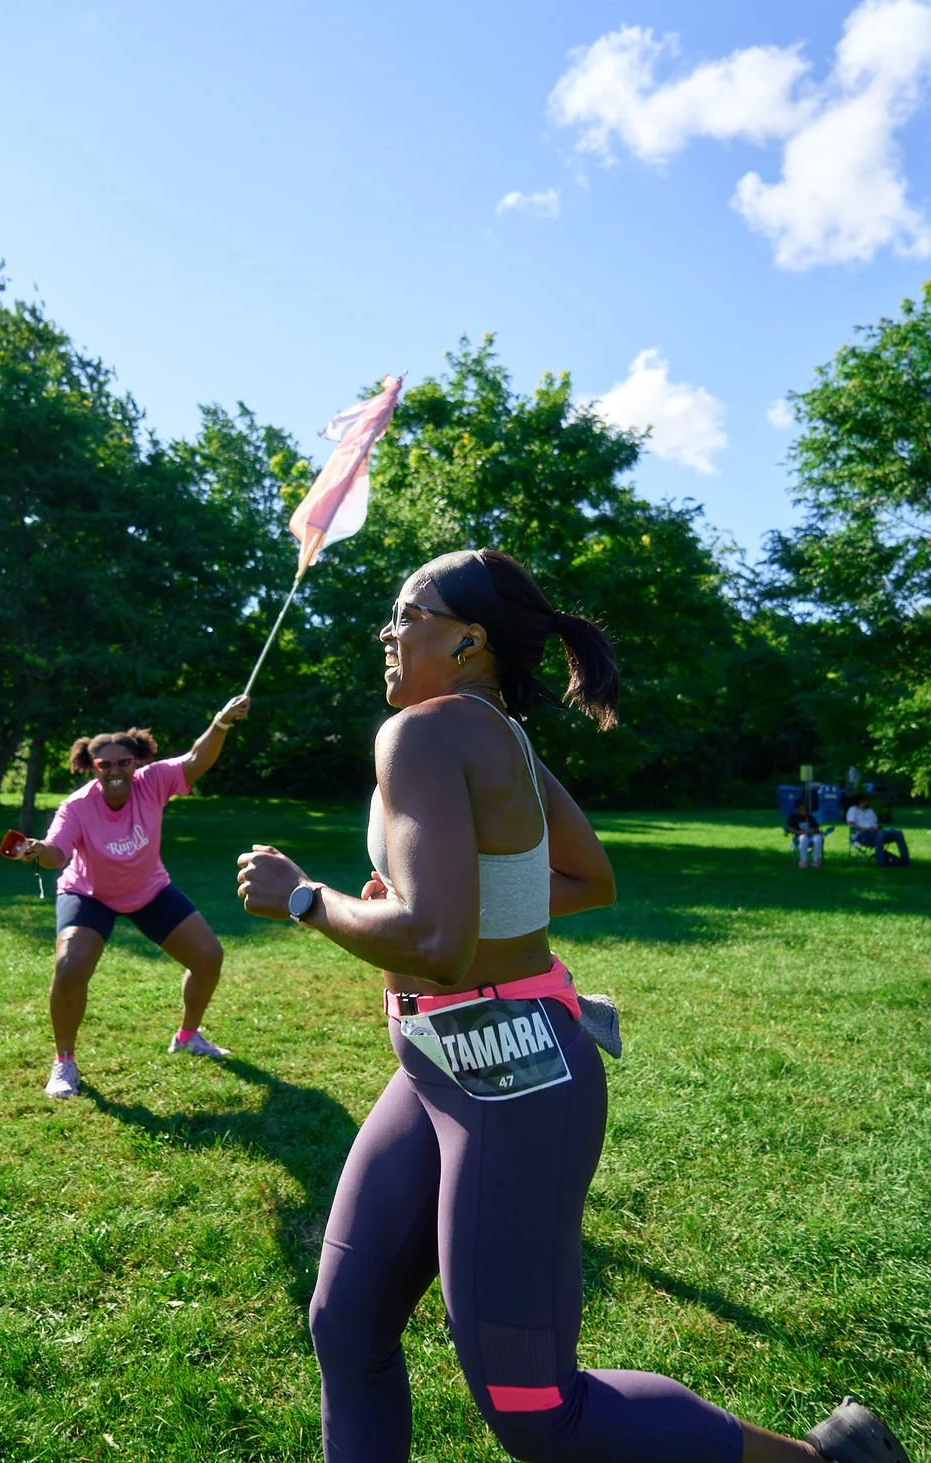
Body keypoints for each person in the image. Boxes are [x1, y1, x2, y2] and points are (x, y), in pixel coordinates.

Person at [235, 548, 907, 1463]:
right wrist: (432, 902)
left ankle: (819, 1460)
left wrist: (308, 899)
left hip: (513, 1086)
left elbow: (436, 942)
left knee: (537, 1409)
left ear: (468, 639)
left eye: (406, 613)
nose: (387, 633)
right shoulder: (501, 735)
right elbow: (587, 879)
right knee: (346, 1324)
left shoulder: (425, 733)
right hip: (440, 1067)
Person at [11, 694, 250, 1099]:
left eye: (124, 762)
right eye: (105, 765)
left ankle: (188, 1035)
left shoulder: (153, 782)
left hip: (148, 889)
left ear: (136, 761)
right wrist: (36, 848)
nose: (116, 770)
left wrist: (221, 722)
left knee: (208, 958)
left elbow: (195, 760)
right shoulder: (77, 807)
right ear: (93, 768)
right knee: (70, 966)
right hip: (89, 894)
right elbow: (57, 853)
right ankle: (64, 1062)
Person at [845, 797, 909, 867]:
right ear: (861, 801)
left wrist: (876, 827)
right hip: (862, 835)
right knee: (880, 834)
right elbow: (851, 824)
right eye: (867, 800)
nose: (869, 802)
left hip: (876, 832)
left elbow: (876, 823)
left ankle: (905, 860)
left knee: (898, 833)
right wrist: (866, 829)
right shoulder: (853, 809)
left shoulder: (870, 811)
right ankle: (880, 862)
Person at [786, 796, 824, 868]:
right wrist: (801, 832)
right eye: (802, 806)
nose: (804, 808)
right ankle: (803, 861)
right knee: (803, 838)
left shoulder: (809, 816)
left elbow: (816, 828)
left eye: (804, 806)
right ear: (798, 807)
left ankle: (815, 861)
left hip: (812, 835)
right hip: (800, 836)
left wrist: (812, 831)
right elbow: (789, 828)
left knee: (818, 838)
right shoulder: (793, 816)